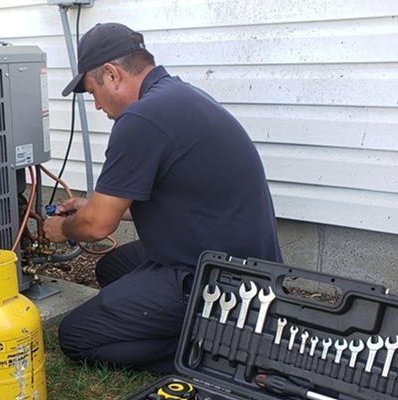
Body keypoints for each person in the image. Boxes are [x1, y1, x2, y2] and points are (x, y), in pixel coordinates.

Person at [43, 22, 282, 373]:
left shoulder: (141, 118)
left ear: (111, 74)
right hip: (248, 265)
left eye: (93, 91)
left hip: (217, 280)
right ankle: (203, 325)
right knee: (111, 268)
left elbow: (96, 227)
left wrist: (61, 229)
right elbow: (171, 197)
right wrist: (88, 204)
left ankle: (219, 349)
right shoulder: (177, 96)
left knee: (77, 337)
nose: (95, 105)